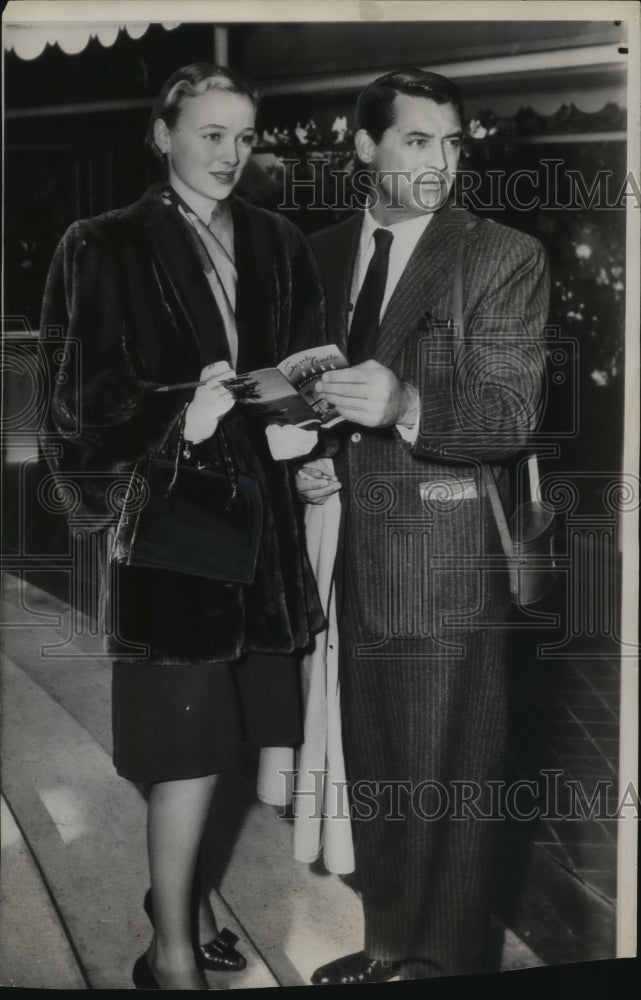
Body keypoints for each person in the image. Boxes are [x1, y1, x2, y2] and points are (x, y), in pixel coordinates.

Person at [40, 63, 325, 990]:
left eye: (245, 137)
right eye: (210, 134)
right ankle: (170, 954)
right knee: (186, 742)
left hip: (266, 534)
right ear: (162, 135)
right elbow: (78, 408)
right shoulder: (103, 244)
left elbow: (299, 372)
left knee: (235, 732)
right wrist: (180, 422)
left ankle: (186, 902)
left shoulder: (281, 241)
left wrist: (302, 426)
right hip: (176, 531)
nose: (231, 155)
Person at [296, 68, 550, 982]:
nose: (441, 162)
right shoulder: (319, 253)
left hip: (442, 557)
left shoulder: (499, 254)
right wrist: (306, 455)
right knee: (376, 764)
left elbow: (508, 412)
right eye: (417, 141)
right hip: (343, 555)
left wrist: (405, 401)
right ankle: (386, 947)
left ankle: (438, 964)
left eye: (452, 142)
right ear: (363, 147)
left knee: (448, 773)